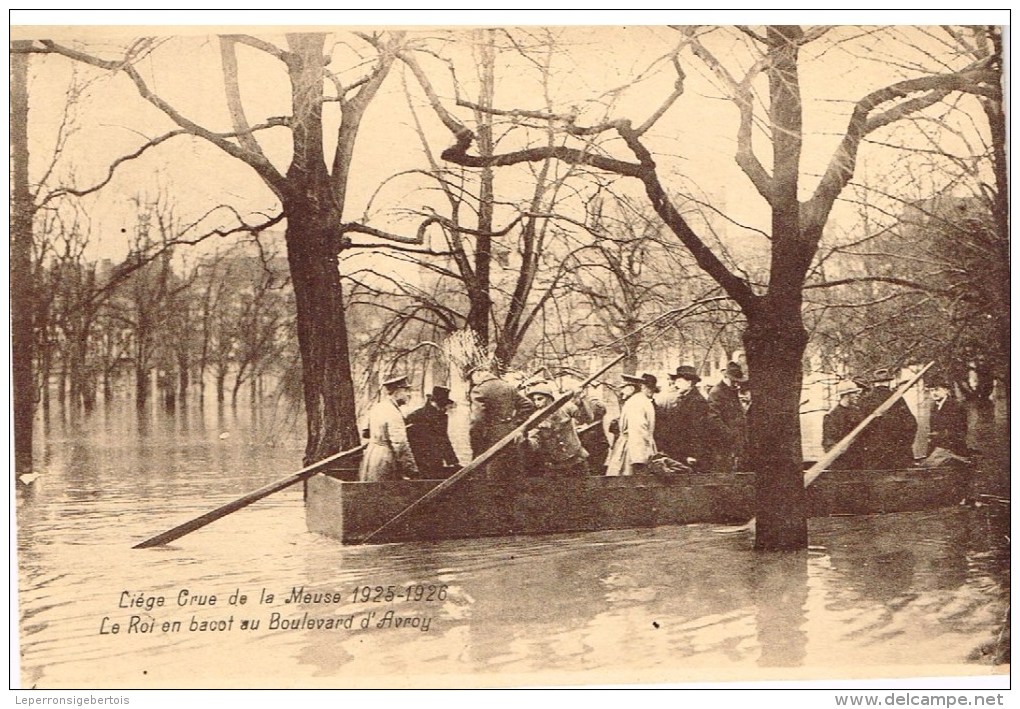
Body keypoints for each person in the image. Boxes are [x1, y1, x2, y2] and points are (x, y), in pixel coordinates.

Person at [468, 365, 535, 481]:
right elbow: (528, 405)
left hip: (492, 437)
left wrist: (476, 440)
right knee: (512, 472)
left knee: (493, 474)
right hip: (512, 433)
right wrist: (516, 423)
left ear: (478, 373)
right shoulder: (508, 386)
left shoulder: (479, 389)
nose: (473, 382)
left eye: (472, 378)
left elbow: (477, 420)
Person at [358, 374, 419, 482]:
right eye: (406, 391)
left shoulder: (377, 407)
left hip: (371, 456)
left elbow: (365, 433)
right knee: (386, 491)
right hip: (385, 459)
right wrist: (411, 469)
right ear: (397, 391)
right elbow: (400, 444)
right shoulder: (393, 413)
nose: (408, 395)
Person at [854, 368, 918, 470]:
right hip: (897, 454)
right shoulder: (898, 399)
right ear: (888, 383)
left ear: (874, 383)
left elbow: (859, 428)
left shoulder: (865, 401)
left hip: (873, 454)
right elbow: (911, 424)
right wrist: (904, 444)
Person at [654, 364, 712, 471]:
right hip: (681, 452)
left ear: (689, 383)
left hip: (689, 455)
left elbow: (698, 430)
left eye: (679, 381)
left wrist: (694, 454)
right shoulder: (684, 398)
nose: (676, 384)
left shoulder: (697, 401)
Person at [524, 382, 589, 477]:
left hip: (577, 459)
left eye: (540, 399)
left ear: (549, 398)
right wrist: (525, 440)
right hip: (554, 466)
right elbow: (535, 442)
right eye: (535, 400)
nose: (537, 403)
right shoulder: (535, 419)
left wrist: (580, 402)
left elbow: (586, 418)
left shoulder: (566, 407)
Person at [605, 372, 658, 477]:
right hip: (635, 448)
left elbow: (638, 431)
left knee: (626, 483)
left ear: (632, 389)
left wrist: (638, 460)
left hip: (632, 451)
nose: (621, 390)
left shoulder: (635, 403)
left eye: (624, 387)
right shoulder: (640, 400)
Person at [405, 385, 460, 479]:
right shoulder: (415, 416)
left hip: (436, 463)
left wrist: (453, 462)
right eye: (444, 405)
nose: (446, 409)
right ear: (437, 403)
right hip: (421, 464)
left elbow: (444, 440)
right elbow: (407, 443)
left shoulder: (441, 416)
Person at [708, 361, 748, 473]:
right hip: (724, 445)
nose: (737, 384)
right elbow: (713, 418)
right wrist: (730, 435)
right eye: (734, 381)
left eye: (738, 381)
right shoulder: (717, 393)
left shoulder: (732, 391)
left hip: (736, 443)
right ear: (726, 377)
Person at [822, 380, 864, 469]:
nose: (858, 395)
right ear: (846, 395)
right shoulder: (832, 416)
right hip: (841, 462)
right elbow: (828, 442)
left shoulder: (857, 412)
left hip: (859, 459)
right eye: (854, 393)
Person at [928, 378, 968, 458]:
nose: (933, 393)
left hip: (953, 449)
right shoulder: (934, 406)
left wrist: (939, 436)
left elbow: (959, 431)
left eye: (937, 390)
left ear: (946, 390)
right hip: (938, 449)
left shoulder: (955, 406)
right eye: (931, 390)